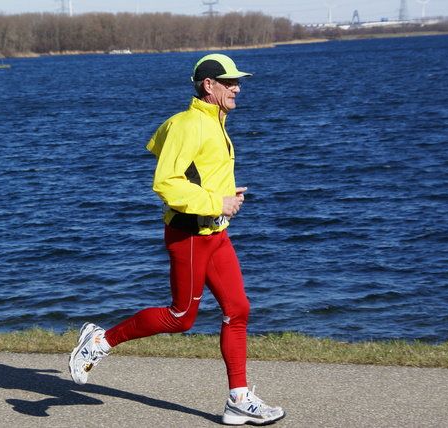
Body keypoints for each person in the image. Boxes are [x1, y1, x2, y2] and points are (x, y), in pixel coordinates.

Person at [68, 53, 285, 426]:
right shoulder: (189, 124)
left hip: (214, 233)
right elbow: (166, 181)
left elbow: (184, 162)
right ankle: (100, 341)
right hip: (189, 235)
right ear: (209, 85)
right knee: (182, 317)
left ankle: (238, 400)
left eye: (238, 81)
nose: (238, 87)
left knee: (238, 309)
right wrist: (217, 200)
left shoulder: (211, 121)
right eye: (230, 81)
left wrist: (221, 191)